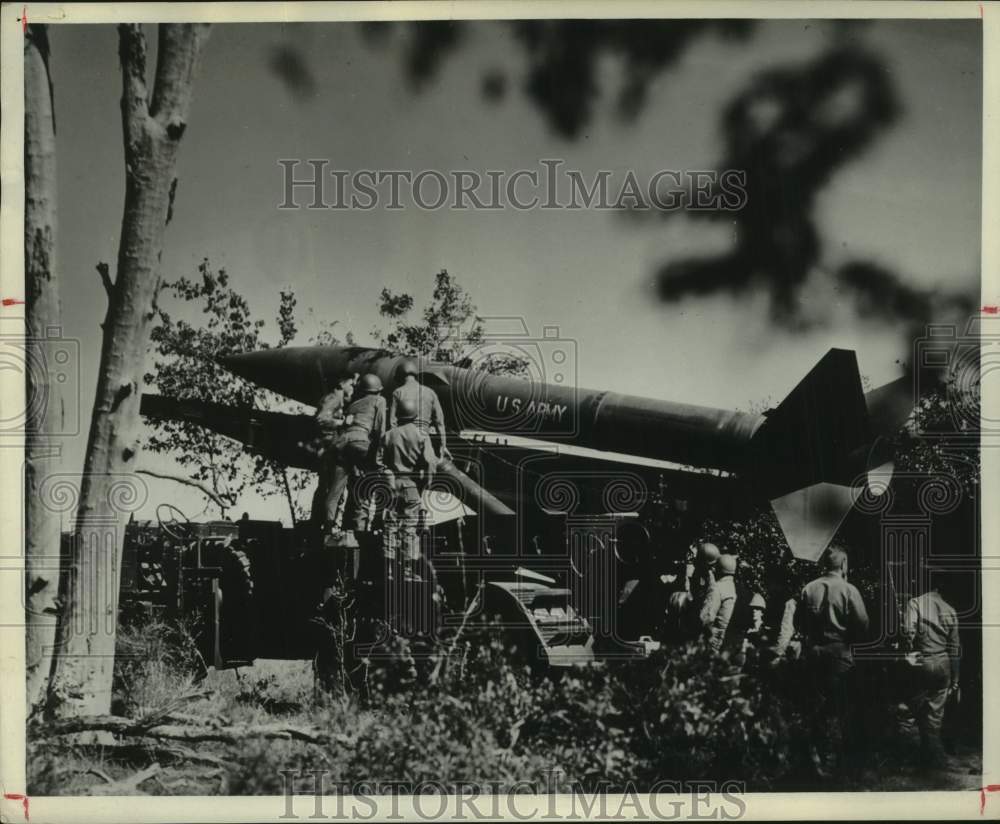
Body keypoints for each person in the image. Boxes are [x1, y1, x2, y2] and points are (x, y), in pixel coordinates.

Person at [795, 546, 869, 777]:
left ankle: (813, 759)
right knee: (839, 709)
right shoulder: (849, 590)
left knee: (814, 707)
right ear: (844, 565)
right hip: (839, 655)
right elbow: (863, 625)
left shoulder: (808, 588)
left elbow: (798, 622)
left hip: (814, 654)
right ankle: (835, 764)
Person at [902, 569, 961, 767]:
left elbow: (907, 634)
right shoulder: (950, 610)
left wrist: (908, 648)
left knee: (914, 709)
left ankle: (924, 756)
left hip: (922, 662)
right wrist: (955, 678)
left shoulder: (915, 603)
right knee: (935, 714)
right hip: (943, 664)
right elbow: (954, 649)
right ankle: (932, 756)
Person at [321, 373, 387, 532]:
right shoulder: (380, 400)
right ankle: (374, 523)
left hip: (340, 444)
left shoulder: (353, 405)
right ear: (377, 390)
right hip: (360, 441)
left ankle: (328, 526)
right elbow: (380, 429)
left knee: (335, 490)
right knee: (378, 479)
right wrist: (380, 457)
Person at [382, 398, 438, 580]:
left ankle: (389, 570)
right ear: (414, 415)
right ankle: (407, 571)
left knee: (390, 525)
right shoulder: (421, 435)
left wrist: (387, 475)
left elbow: (378, 462)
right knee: (410, 527)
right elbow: (430, 462)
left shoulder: (388, 435)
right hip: (411, 485)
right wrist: (426, 484)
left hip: (391, 484)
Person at [389, 359, 450, 459]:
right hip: (424, 439)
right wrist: (443, 446)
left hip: (404, 439)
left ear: (400, 376)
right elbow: (439, 422)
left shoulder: (397, 392)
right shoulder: (430, 392)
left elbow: (392, 422)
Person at [701, 553, 738, 651]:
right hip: (728, 639)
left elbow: (706, 617)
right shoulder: (733, 587)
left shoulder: (717, 588)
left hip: (713, 639)